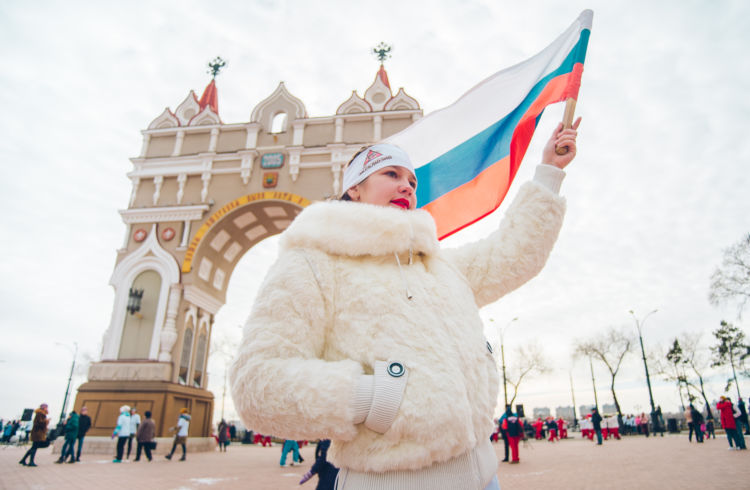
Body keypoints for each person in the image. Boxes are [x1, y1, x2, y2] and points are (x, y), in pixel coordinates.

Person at [230, 117, 581, 489]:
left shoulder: (437, 266)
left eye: (412, 181)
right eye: (392, 174)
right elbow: (258, 381)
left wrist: (549, 174)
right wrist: (373, 399)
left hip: (482, 475)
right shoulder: (313, 263)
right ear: (355, 189)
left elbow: (512, 256)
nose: (407, 187)